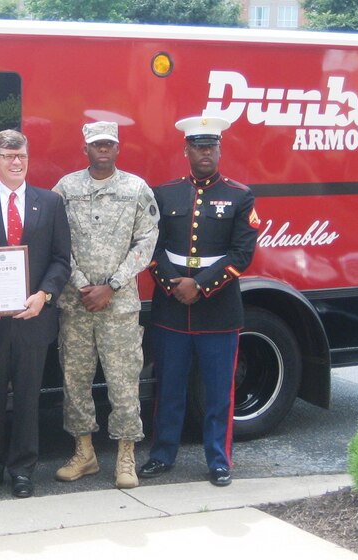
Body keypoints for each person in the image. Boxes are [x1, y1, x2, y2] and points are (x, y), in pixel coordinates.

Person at [141, 116, 260, 487]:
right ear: (186, 150)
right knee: (169, 388)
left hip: (218, 311)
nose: (205, 153)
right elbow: (152, 246)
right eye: (198, 146)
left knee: (219, 392)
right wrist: (173, 285)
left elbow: (241, 254)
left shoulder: (240, 196)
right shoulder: (165, 193)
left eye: (211, 146)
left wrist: (201, 285)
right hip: (172, 309)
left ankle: (219, 460)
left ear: (220, 149)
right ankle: (162, 454)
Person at [0, 129, 71, 499]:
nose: (16, 162)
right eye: (8, 156)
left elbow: (60, 259)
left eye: (21, 155)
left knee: (27, 398)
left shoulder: (50, 203)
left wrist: (45, 294)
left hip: (33, 319)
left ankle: (22, 469)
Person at [52, 121, 159, 489]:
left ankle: (126, 456)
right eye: (96, 144)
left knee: (124, 381)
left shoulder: (136, 188)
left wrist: (111, 286)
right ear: (85, 148)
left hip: (119, 306)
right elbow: (56, 241)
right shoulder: (66, 188)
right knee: (75, 380)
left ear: (118, 148)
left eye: (109, 144)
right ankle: (85, 454)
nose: (103, 149)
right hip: (77, 303)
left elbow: (147, 241)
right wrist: (84, 285)